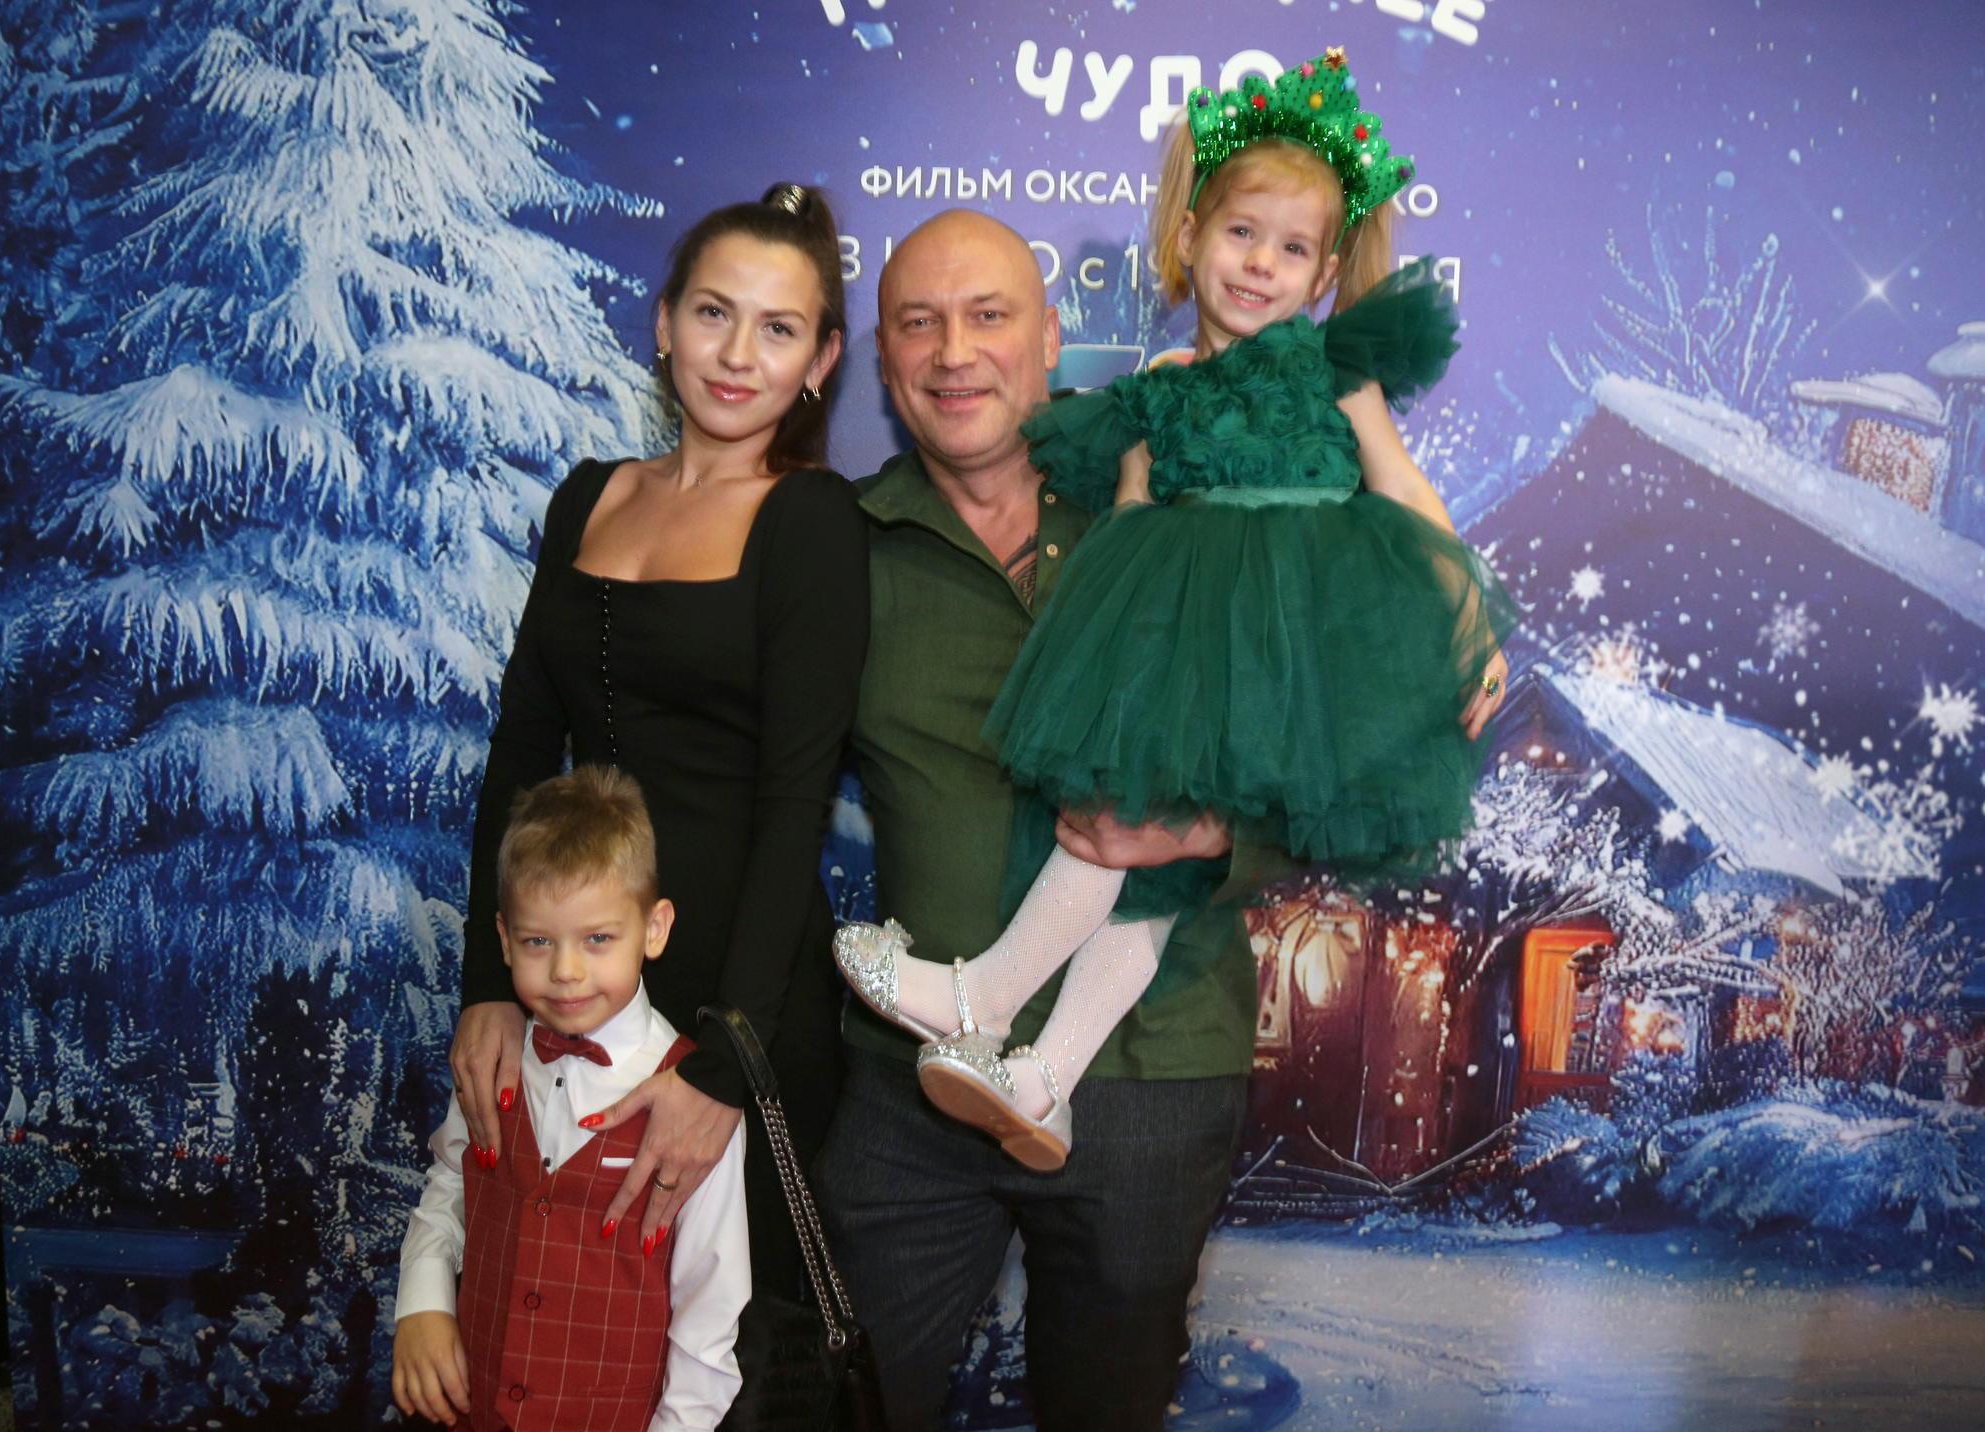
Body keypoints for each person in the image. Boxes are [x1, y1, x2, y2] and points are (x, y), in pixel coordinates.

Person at [835, 50, 1517, 1171]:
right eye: (1241, 233)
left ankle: (980, 996)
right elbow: (1130, 518)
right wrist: (1109, 660)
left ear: (1326, 271)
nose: (1259, 265)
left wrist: (1467, 619)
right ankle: (1041, 1077)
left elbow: (1403, 491)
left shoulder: (1334, 376)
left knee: (1139, 837)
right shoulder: (1157, 384)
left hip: (1280, 651)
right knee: (1139, 858)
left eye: (1291, 249)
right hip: (1181, 645)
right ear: (1189, 235)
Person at [810, 207, 1250, 1428]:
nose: (955, 352)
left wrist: (1214, 834)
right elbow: (745, 776)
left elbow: (1314, 740)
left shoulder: (1171, 502)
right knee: (839, 1401)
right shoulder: (840, 545)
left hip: (1150, 1070)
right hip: (913, 1080)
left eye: (988, 315)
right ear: (884, 361)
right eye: (919, 323)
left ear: (1051, 337)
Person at [444, 185, 868, 1338]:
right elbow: (520, 755)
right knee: (557, 1330)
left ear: (820, 360)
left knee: (715, 1354)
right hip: (574, 977)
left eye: (778, 328)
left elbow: (795, 801)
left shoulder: (811, 520)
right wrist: (490, 983)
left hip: (737, 995)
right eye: (714, 313)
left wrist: (726, 1062)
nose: (736, 354)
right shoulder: (588, 495)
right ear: (665, 321)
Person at [393, 766, 749, 1430]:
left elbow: (710, 1309)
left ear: (654, 929)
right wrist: (423, 1302)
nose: (565, 971)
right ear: (504, 940)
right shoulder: (493, 1061)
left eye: (597, 939)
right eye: (538, 941)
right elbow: (451, 1182)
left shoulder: (695, 1100)